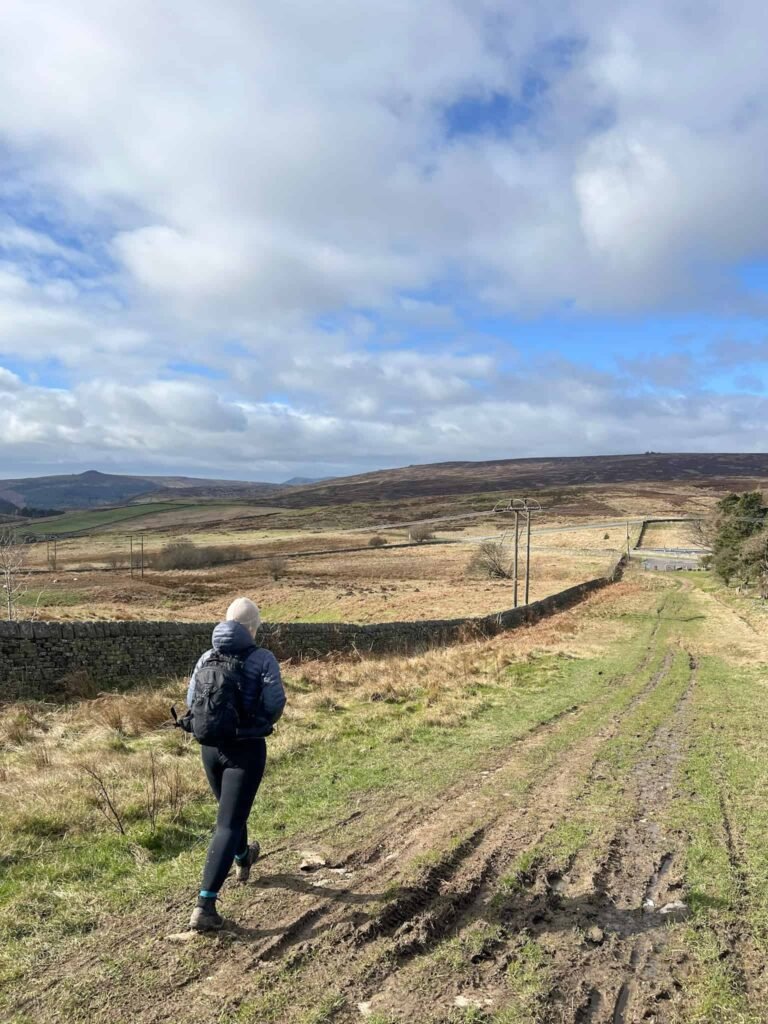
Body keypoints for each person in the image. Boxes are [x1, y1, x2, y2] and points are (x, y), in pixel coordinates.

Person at [185, 596, 286, 931]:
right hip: (246, 749)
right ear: (254, 627)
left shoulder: (206, 656)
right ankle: (205, 906)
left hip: (210, 748)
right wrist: (257, 721)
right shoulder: (263, 658)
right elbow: (275, 703)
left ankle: (244, 857)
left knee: (231, 814)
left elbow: (191, 701)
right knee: (228, 823)